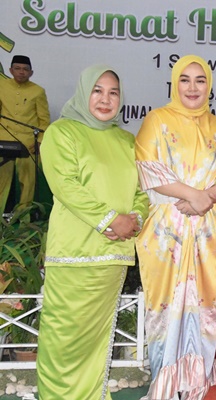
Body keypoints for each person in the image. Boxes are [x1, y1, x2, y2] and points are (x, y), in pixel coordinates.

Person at [37, 65, 148, 399]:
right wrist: (111, 219)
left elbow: (143, 192)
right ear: (84, 92)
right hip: (73, 255)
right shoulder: (61, 133)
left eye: (113, 92)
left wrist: (136, 218)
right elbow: (66, 187)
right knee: (63, 340)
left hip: (113, 259)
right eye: (97, 90)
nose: (105, 99)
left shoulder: (127, 140)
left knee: (97, 342)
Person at [135, 55, 216, 400]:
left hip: (205, 230)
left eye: (200, 80)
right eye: (185, 80)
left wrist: (207, 199)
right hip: (166, 230)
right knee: (165, 303)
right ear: (174, 84)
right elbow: (149, 170)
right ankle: (165, 374)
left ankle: (196, 371)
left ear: (209, 85)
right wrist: (196, 196)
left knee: (203, 301)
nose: (193, 88)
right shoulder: (157, 120)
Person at [0, 55, 50, 213]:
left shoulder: (38, 91)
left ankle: (23, 220)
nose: (21, 72)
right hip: (4, 138)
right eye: (17, 68)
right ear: (10, 70)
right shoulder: (1, 86)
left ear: (31, 72)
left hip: (28, 142)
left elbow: (44, 120)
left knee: (27, 183)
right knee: (1, 181)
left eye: (25, 69)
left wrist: (40, 142)